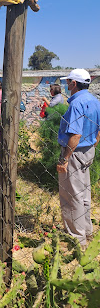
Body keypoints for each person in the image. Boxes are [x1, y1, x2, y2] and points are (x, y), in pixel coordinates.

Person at [57, 69, 100, 247]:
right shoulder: (94, 100)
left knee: (70, 195)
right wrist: (94, 144)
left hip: (74, 153)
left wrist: (65, 159)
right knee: (83, 193)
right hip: (88, 151)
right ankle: (86, 230)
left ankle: (76, 239)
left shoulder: (76, 104)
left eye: (67, 82)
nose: (66, 86)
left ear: (74, 84)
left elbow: (75, 135)